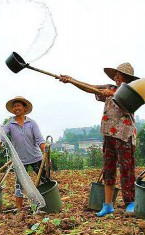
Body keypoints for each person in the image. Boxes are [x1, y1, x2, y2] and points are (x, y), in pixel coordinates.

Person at [58, 63, 139, 217]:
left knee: (126, 170)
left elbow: (129, 105)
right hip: (109, 133)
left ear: (126, 78)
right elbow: (89, 87)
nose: (115, 77)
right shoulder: (109, 87)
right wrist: (71, 80)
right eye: (115, 75)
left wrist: (113, 94)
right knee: (108, 169)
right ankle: (108, 205)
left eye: (118, 75)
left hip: (124, 135)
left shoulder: (132, 91)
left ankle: (130, 203)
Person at [0, 96, 48, 213]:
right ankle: (19, 209)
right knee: (19, 185)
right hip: (20, 161)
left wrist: (46, 151)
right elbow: (0, 138)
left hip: (36, 157)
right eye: (14, 106)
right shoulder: (10, 124)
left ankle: (47, 205)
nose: (16, 108)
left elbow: (40, 140)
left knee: (45, 181)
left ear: (24, 108)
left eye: (18, 106)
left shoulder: (31, 123)